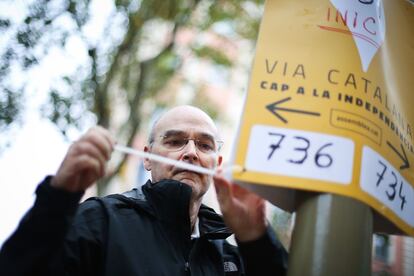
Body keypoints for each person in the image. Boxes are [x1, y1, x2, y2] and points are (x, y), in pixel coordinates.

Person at [0, 105, 288, 275]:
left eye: (204, 145)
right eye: (175, 142)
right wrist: (58, 197)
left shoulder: (233, 258)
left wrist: (258, 241)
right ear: (147, 157)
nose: (190, 153)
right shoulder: (99, 221)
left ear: (217, 163)